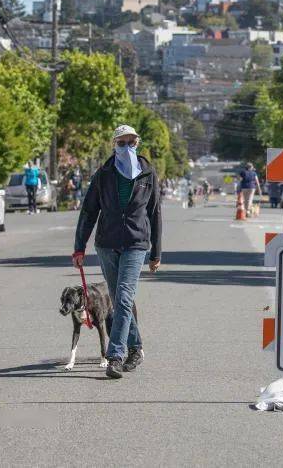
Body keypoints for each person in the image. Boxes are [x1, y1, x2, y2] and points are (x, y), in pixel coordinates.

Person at [73, 125, 162, 379]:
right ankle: (136, 348)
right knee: (117, 298)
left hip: (136, 244)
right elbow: (89, 211)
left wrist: (157, 252)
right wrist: (79, 246)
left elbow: (155, 213)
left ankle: (115, 356)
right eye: (121, 143)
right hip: (107, 244)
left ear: (137, 144)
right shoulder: (104, 174)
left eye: (131, 143)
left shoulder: (147, 173)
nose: (126, 148)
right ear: (114, 145)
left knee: (123, 298)